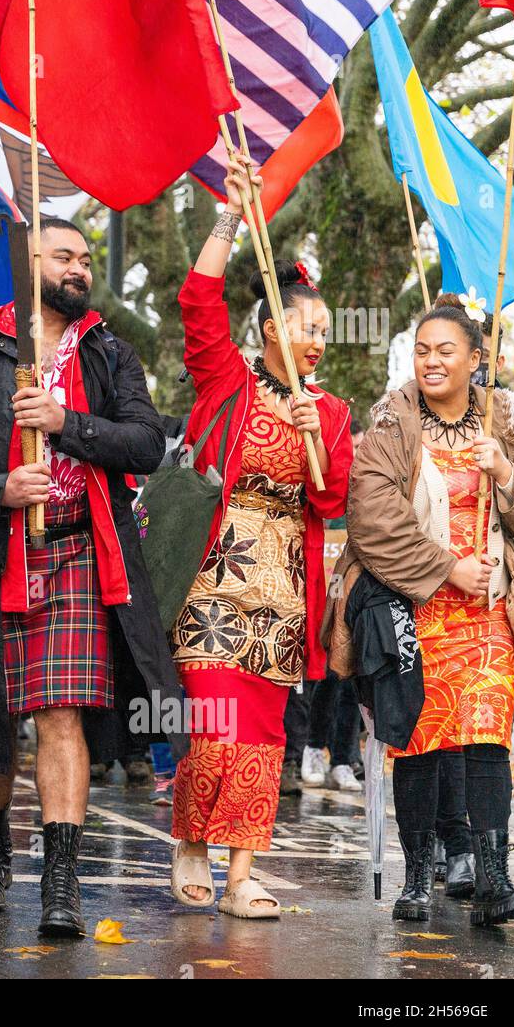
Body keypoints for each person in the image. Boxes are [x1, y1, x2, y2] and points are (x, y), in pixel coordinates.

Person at [0, 218, 184, 937]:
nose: (80, 268)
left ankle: (61, 883)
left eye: (86, 259)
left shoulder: (110, 351)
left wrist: (66, 421)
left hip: (77, 552)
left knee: (61, 715)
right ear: (27, 266)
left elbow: (149, 444)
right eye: (64, 256)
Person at [168, 154, 352, 920]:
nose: (317, 343)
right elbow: (196, 297)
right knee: (215, 725)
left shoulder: (334, 412)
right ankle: (191, 842)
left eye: (326, 334)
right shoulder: (225, 381)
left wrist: (316, 441)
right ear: (273, 327)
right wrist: (231, 215)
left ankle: (243, 872)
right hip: (212, 578)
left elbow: (335, 497)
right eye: (306, 330)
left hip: (282, 589)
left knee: (264, 735)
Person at [330, 295, 514, 926]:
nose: (431, 362)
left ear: (478, 359)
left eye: (447, 351)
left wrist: (504, 473)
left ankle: (494, 879)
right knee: (416, 740)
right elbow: (370, 516)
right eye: (422, 351)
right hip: (410, 608)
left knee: (486, 740)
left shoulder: (507, 417)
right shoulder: (394, 418)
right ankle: (418, 875)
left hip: (488, 612)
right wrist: (447, 566)